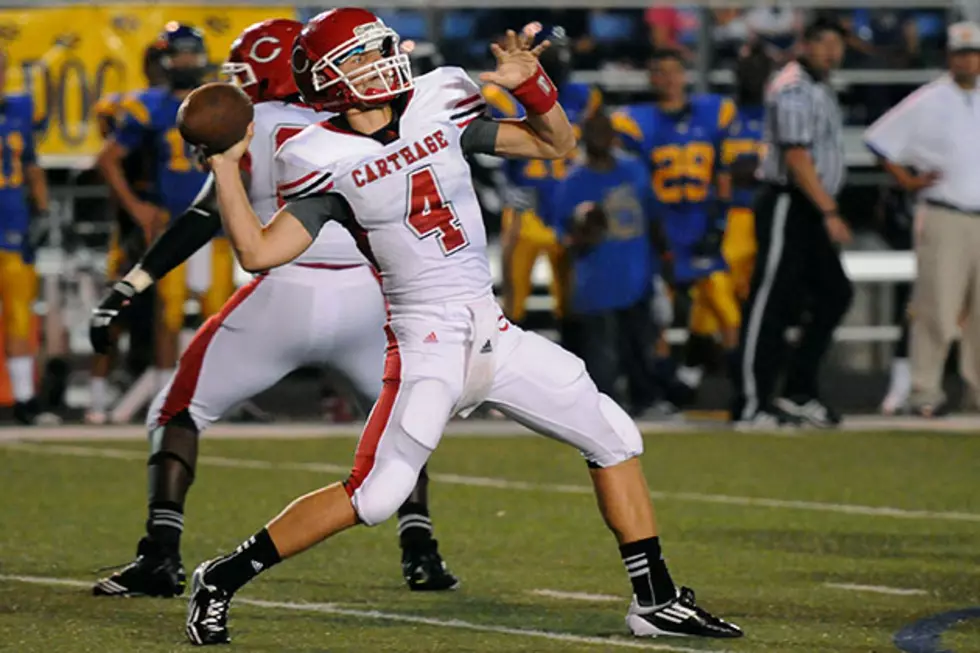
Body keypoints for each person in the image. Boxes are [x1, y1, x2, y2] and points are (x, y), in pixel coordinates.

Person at [183, 9, 742, 645]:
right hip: (425, 342)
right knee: (377, 495)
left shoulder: (437, 100)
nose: (382, 61)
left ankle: (655, 598)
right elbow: (257, 253)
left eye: (379, 48)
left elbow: (556, 144)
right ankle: (221, 576)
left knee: (614, 435)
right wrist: (226, 168)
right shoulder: (317, 155)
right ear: (332, 76)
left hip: (492, 329)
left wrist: (530, 87)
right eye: (362, 55)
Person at [91, 18, 458, 598]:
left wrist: (129, 286)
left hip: (284, 288)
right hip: (368, 296)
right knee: (398, 422)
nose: (237, 85)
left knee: (177, 412)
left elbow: (204, 215)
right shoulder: (374, 116)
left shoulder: (253, 123)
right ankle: (422, 552)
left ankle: (160, 553)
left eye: (245, 73)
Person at [732, 16, 853, 429]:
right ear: (805, 45)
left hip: (809, 206)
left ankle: (798, 390)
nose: (832, 52)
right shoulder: (795, 87)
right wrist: (829, 211)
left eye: (837, 43)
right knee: (769, 300)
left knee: (834, 293)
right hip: (790, 202)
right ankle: (750, 402)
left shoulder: (819, 87)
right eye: (823, 43)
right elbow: (797, 158)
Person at [863, 21, 980, 417]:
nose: (968, 59)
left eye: (974, 52)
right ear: (949, 56)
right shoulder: (929, 99)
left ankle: (976, 392)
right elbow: (878, 141)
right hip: (946, 213)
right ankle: (924, 392)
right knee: (936, 308)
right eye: (962, 53)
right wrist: (908, 181)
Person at [612, 48, 740, 408]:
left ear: (685, 75)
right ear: (651, 78)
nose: (667, 79)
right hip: (661, 229)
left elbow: (724, 175)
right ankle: (663, 389)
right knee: (659, 317)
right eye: (659, 72)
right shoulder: (636, 121)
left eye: (673, 71)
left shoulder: (713, 112)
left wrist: (718, 223)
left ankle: (743, 390)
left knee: (724, 308)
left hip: (700, 224)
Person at [96, 22, 211, 396]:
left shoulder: (219, 101)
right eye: (180, 53)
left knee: (221, 313)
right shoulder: (150, 106)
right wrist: (137, 207)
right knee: (169, 314)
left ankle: (216, 393)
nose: (187, 60)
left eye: (192, 52)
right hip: (172, 222)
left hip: (218, 223)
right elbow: (108, 157)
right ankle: (165, 393)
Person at [483, 25, 600, 339]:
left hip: (568, 206)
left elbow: (598, 148)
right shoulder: (501, 96)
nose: (561, 58)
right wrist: (503, 192)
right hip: (527, 208)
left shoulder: (585, 96)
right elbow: (482, 157)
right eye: (554, 52)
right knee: (514, 305)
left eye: (563, 51)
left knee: (574, 302)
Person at [551, 111, 667, 415]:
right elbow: (562, 234)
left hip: (636, 273)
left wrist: (664, 262)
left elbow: (653, 217)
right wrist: (582, 231)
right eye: (594, 131)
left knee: (640, 347)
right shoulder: (573, 180)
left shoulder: (634, 169)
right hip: (597, 281)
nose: (600, 137)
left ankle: (646, 400)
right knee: (602, 360)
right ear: (584, 136)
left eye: (605, 131)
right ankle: (601, 411)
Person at [87, 43, 167, 424]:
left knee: (167, 318)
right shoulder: (133, 107)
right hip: (134, 225)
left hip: (169, 220)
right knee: (116, 308)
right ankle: (97, 399)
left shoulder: (188, 107)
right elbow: (110, 148)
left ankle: (153, 397)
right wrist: (135, 207)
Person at [0, 47, 49, 425]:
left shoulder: (18, 109)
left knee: (19, 315)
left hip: (13, 226)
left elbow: (31, 164)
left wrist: (44, 210)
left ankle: (24, 400)